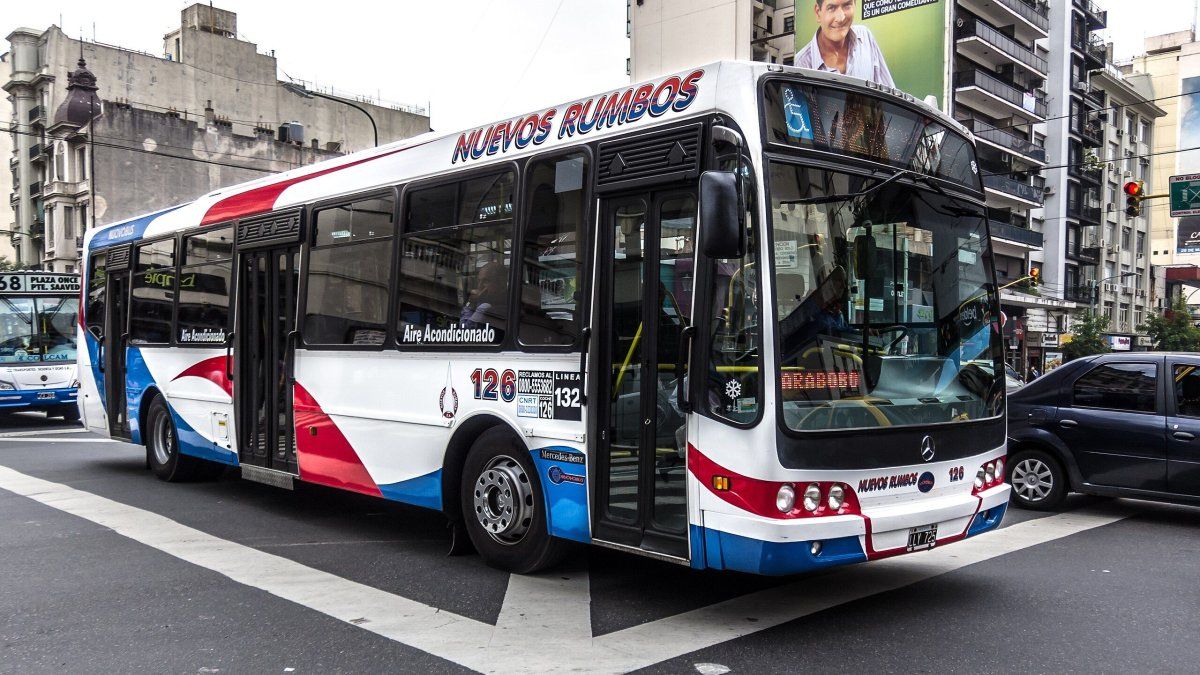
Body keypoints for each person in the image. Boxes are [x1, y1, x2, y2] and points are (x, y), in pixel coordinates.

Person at [793, 0, 896, 88]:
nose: (841, 18)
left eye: (847, 5)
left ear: (855, 5)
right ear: (818, 12)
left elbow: (891, 98)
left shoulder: (865, 37)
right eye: (832, 8)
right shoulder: (800, 64)